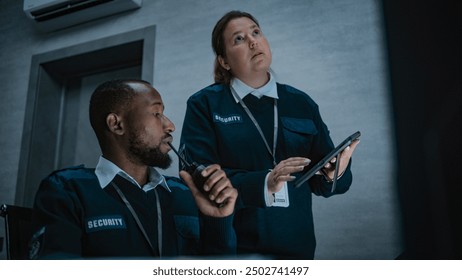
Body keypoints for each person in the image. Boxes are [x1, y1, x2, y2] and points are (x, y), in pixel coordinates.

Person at [179, 10, 360, 259]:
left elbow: (326, 183)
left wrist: (334, 172)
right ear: (224, 62)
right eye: (239, 39)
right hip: (233, 251)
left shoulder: (301, 103)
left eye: (256, 32)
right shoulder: (205, 104)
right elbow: (198, 176)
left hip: (298, 251)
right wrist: (265, 182)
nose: (253, 41)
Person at [28, 79, 237, 259]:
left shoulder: (186, 193)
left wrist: (219, 220)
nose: (171, 125)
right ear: (116, 124)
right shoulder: (68, 190)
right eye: (156, 113)